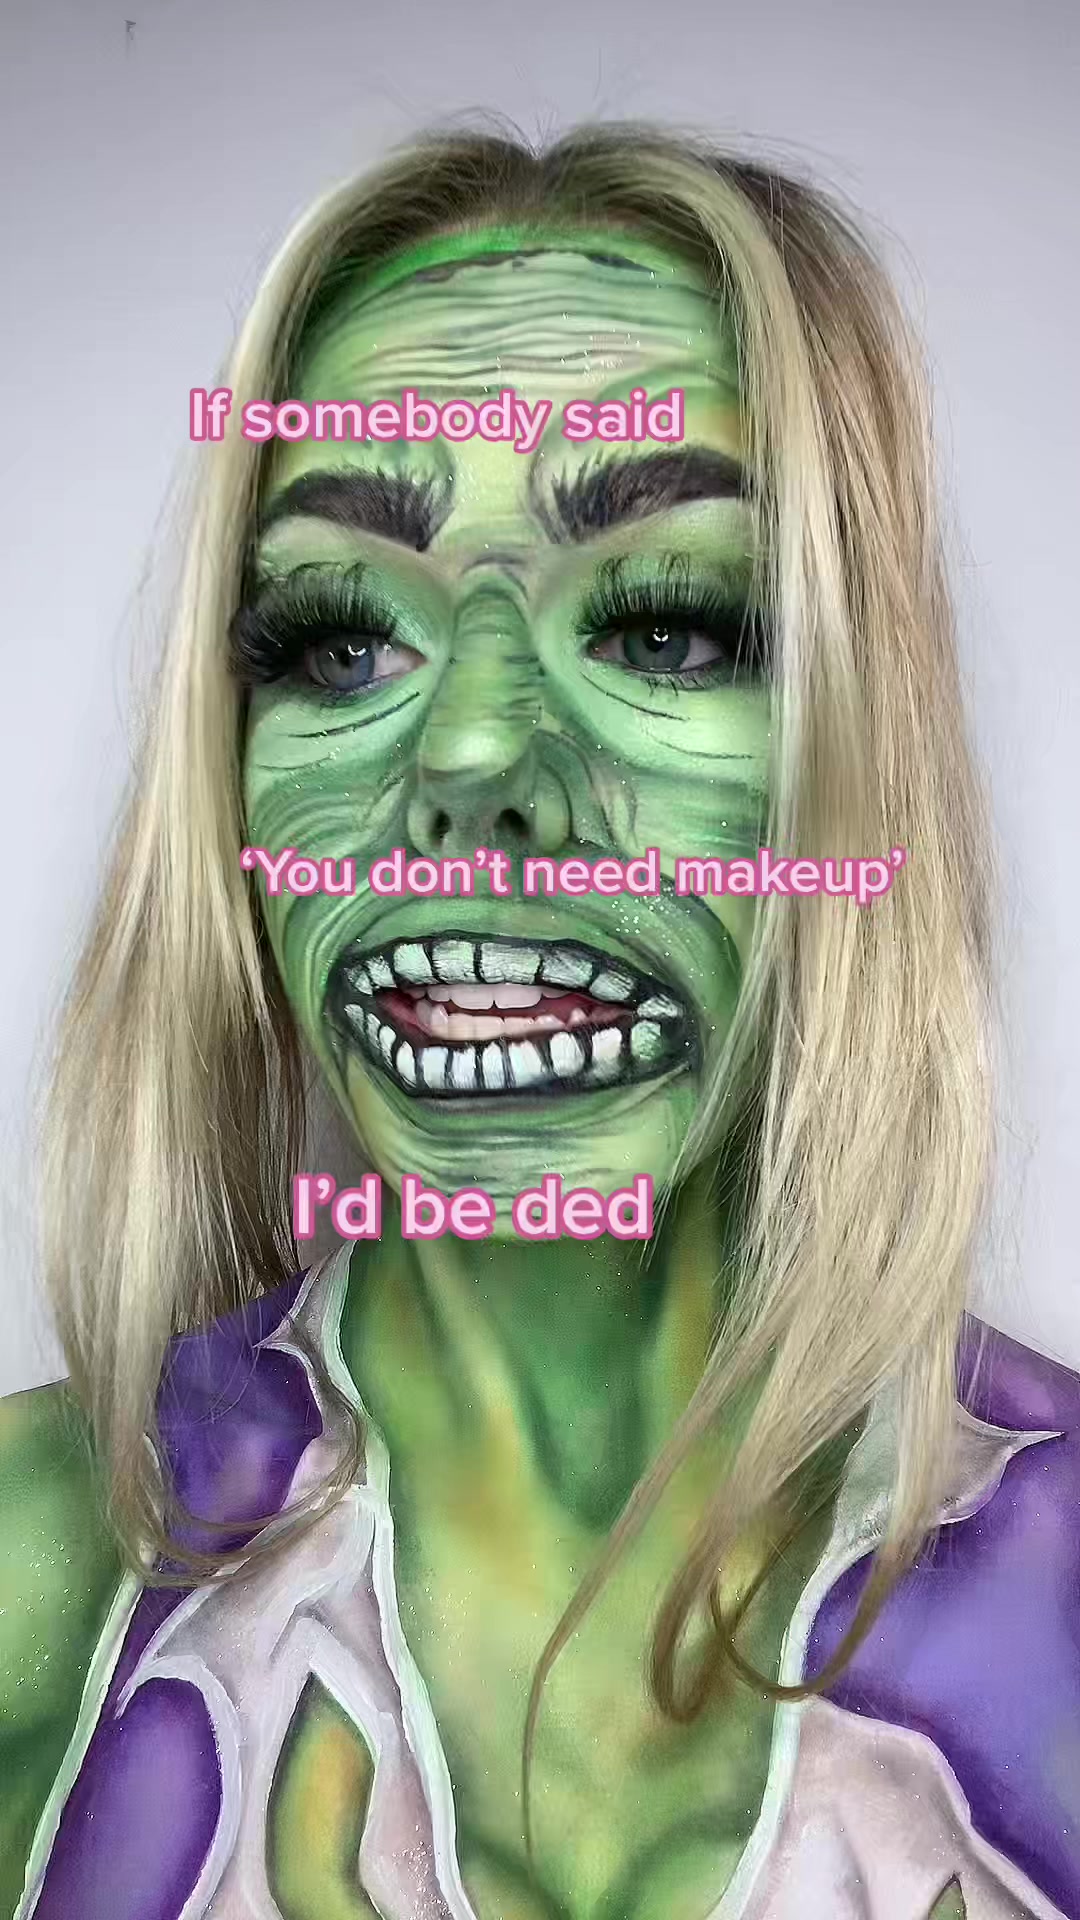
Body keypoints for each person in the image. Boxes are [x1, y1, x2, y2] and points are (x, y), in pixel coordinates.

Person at [0, 121, 1076, 1920]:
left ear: (857, 740)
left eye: (663, 626)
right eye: (342, 639)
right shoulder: (22, 1590)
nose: (474, 747)